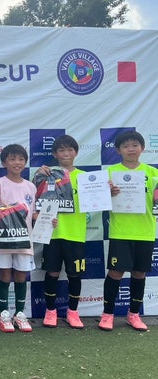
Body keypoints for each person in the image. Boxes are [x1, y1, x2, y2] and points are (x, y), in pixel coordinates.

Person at [99, 130, 158, 331]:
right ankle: (107, 314)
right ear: (118, 150)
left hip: (145, 231)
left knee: (139, 273)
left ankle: (134, 314)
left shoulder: (153, 173)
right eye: (126, 146)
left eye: (134, 145)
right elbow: (96, 202)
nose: (130, 149)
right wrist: (107, 193)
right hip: (120, 232)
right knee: (115, 273)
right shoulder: (109, 173)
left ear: (143, 148)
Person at [36, 135, 86, 329]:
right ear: (55, 154)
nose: (66, 153)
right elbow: (33, 197)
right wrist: (38, 176)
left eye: (70, 150)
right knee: (52, 272)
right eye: (61, 150)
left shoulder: (85, 177)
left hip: (76, 233)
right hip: (52, 232)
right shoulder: (48, 174)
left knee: (75, 275)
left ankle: (73, 312)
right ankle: (50, 311)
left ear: (76, 152)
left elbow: (98, 201)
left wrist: (105, 190)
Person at [0, 144, 36, 333]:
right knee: (5, 273)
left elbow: (32, 213)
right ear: (4, 163)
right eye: (12, 159)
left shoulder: (30, 186)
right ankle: (3, 314)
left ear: (25, 162)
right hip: (4, 238)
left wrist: (45, 218)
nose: (17, 163)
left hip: (25, 239)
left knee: (21, 274)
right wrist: (13, 210)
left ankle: (20, 313)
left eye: (21, 159)